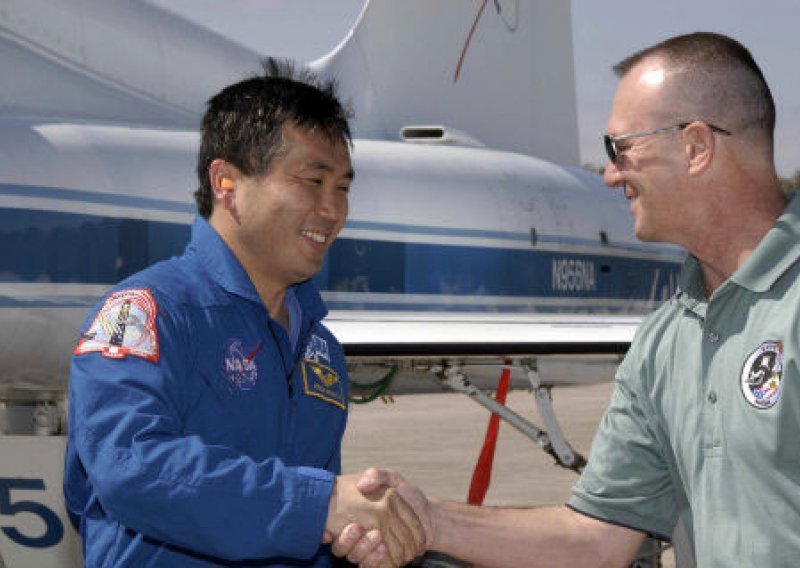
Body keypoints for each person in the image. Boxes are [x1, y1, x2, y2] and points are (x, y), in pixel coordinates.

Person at [333, 32, 800, 567]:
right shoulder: (665, 341)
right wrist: (428, 519)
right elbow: (596, 540)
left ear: (696, 147)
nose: (609, 174)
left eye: (620, 149)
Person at [63, 59, 424, 567]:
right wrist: (318, 505)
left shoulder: (318, 347)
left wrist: (359, 534)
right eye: (311, 182)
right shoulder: (149, 312)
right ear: (226, 182)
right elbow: (130, 466)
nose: (333, 209)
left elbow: (309, 527)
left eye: (342, 188)